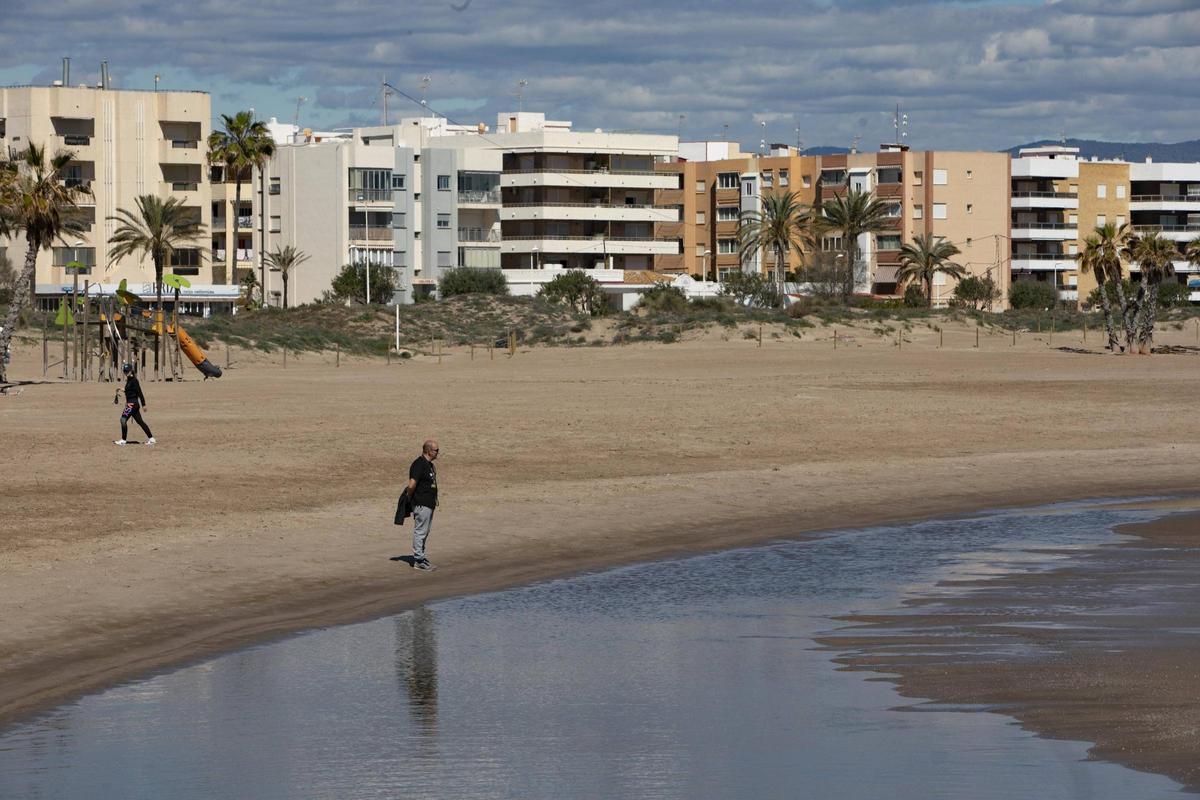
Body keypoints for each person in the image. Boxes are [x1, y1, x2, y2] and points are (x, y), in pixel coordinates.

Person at [406, 439, 439, 570]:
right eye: (436, 450)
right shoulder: (419, 464)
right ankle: (419, 560)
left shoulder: (429, 465)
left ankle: (422, 557)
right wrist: (409, 497)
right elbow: (412, 484)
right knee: (420, 531)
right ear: (428, 451)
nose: (438, 453)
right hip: (421, 503)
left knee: (425, 531)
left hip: (429, 504)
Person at [114, 363, 155, 446]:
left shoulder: (134, 381)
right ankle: (151, 438)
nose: (125, 373)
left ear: (131, 371)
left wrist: (143, 404)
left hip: (132, 404)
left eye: (127, 371)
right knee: (140, 422)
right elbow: (129, 390)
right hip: (133, 404)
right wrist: (120, 389)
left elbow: (139, 392)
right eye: (124, 371)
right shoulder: (129, 380)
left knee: (123, 420)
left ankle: (123, 440)